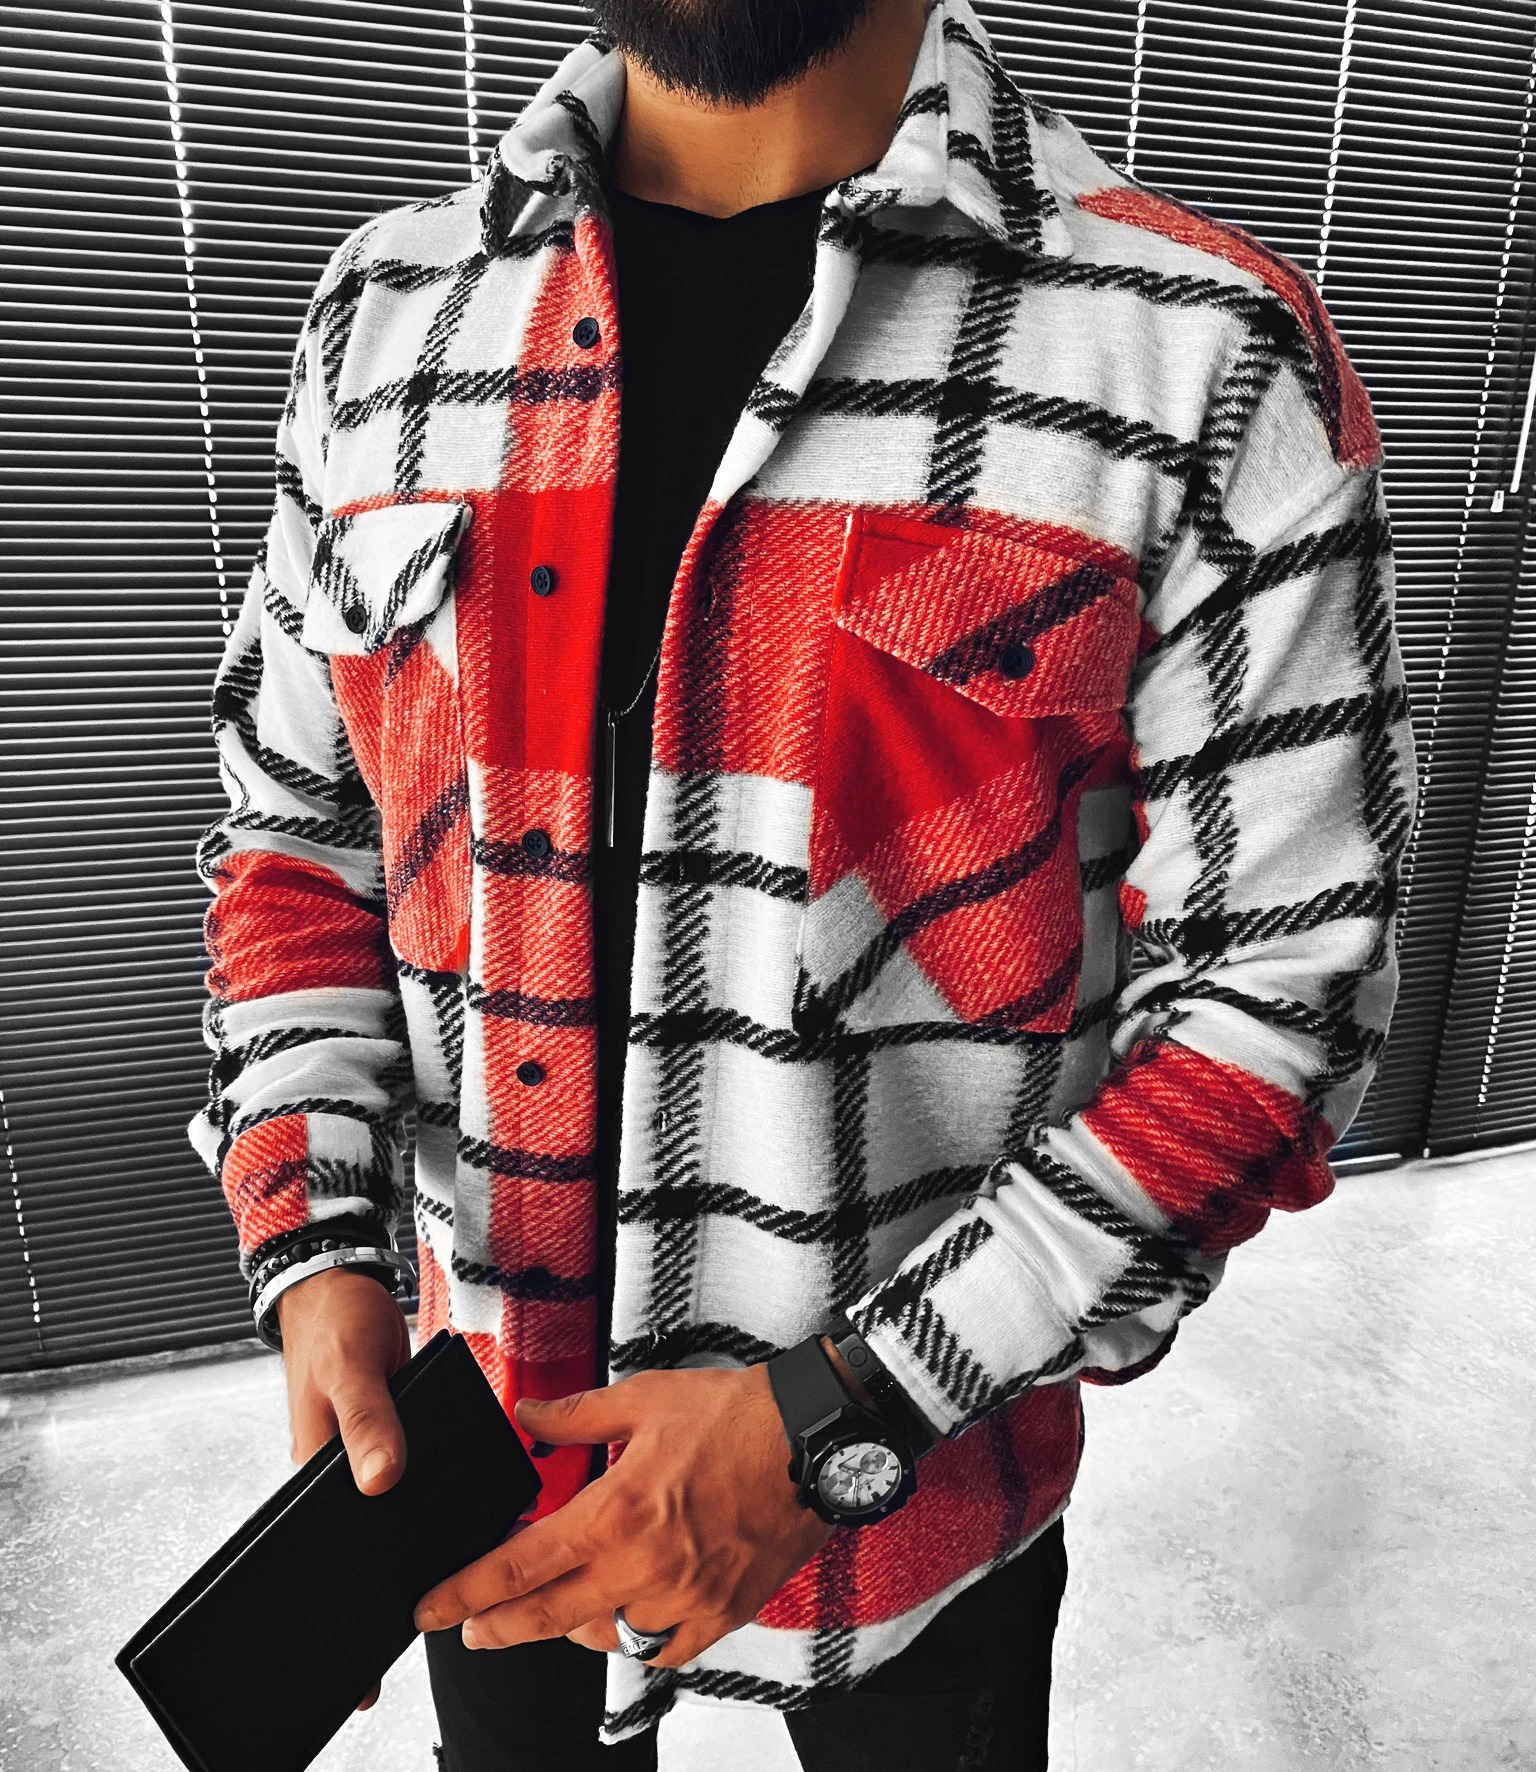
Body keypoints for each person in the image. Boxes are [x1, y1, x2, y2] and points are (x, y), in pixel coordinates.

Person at [187, 0, 1418, 1765]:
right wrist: (315, 1252)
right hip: (479, 1459)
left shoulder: (1201, 355)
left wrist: (850, 1412)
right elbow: (299, 842)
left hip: (912, 1508)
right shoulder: (386, 316)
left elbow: (1280, 1001)